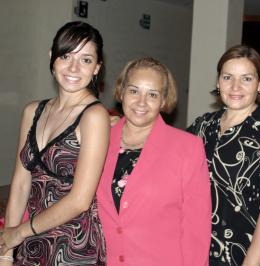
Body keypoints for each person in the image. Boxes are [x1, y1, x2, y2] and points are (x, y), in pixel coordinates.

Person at [0, 21, 109, 265]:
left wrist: (18, 233)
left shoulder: (94, 117)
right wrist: (6, 251)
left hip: (74, 248)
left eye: (86, 60)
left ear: (97, 68)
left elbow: (80, 199)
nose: (74, 68)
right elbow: (19, 184)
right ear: (52, 57)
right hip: (30, 243)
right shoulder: (32, 111)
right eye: (66, 56)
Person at [96, 57, 211, 266]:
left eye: (152, 94)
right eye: (134, 91)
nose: (141, 102)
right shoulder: (99, 140)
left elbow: (196, 229)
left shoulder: (188, 148)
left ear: (164, 100)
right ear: (121, 92)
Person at [187, 44, 260, 266]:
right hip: (197, 249)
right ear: (218, 82)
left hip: (245, 254)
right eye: (227, 77)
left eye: (246, 78)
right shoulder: (203, 125)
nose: (235, 86)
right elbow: (165, 149)